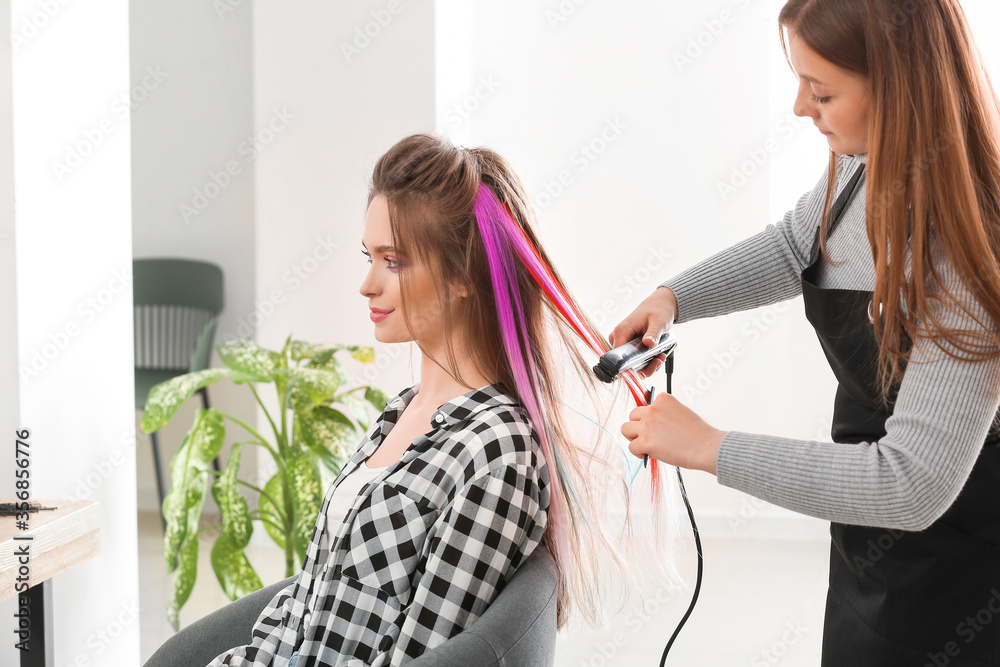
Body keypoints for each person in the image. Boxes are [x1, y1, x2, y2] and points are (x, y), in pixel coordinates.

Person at [615, 0, 1000, 664]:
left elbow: (910, 484)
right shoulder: (859, 164)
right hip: (867, 542)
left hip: (959, 565)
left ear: (900, 89)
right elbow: (797, 246)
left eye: (821, 91)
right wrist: (674, 295)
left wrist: (710, 446)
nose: (800, 107)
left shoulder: (970, 257)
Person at [207, 134, 664, 666]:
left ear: (465, 275)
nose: (367, 285)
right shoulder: (402, 411)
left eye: (393, 261)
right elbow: (310, 600)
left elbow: (421, 655)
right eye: (368, 256)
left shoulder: (498, 455)